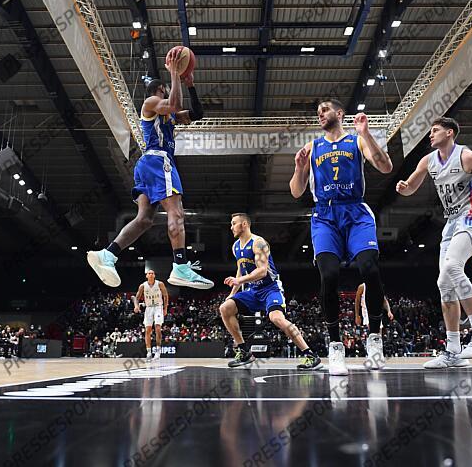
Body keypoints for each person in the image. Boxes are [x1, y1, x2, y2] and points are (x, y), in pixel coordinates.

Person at [87, 48, 212, 290]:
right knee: (176, 213)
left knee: (144, 220)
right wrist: (175, 74)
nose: (168, 91)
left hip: (147, 165)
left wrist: (190, 85)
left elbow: (197, 114)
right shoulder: (151, 102)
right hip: (158, 162)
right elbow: (174, 104)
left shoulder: (167, 117)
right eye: (165, 89)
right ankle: (181, 266)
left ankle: (107, 255)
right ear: (160, 91)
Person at [395, 117, 472, 368]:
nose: (431, 135)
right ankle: (453, 350)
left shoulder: (467, 157)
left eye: (435, 130)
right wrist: (403, 188)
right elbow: (412, 186)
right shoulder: (428, 160)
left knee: (451, 268)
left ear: (450, 133)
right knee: (444, 284)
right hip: (452, 222)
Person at [290, 101, 393, 375]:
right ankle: (335, 346)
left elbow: (385, 167)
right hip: (324, 215)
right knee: (329, 276)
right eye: (318, 113)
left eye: (325, 110)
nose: (321, 114)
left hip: (356, 211)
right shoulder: (312, 148)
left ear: (340, 114)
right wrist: (300, 168)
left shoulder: (357, 141)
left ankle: (374, 339)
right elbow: (296, 192)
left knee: (369, 269)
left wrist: (367, 133)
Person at [219, 213, 322, 370]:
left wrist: (239, 281)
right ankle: (244, 351)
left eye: (234, 223)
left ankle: (310, 355)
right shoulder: (235, 247)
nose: (231, 227)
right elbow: (240, 270)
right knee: (225, 308)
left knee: (277, 319)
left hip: (270, 289)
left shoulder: (258, 243)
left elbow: (262, 271)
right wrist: (232, 293)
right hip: (253, 290)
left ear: (244, 224)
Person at [134, 269, 169, 360]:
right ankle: (149, 352)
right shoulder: (143, 286)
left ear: (154, 275)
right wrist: (136, 306)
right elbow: (136, 298)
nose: (150, 274)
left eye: (152, 273)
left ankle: (158, 351)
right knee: (148, 330)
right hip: (148, 308)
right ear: (146, 276)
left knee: (157, 328)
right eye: (149, 273)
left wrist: (165, 308)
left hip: (158, 307)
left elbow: (165, 296)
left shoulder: (160, 284)